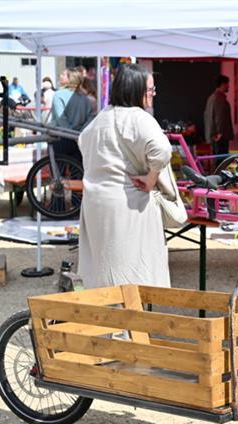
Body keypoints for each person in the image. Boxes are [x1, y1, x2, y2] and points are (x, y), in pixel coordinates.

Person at [77, 63, 172, 288]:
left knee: (104, 271)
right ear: (136, 89)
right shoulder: (139, 118)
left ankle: (111, 321)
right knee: (131, 276)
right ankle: (131, 322)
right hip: (128, 205)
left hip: (96, 203)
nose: (153, 94)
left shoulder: (101, 117)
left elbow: (83, 142)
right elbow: (162, 150)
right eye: (150, 90)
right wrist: (151, 178)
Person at [49, 68, 93, 162]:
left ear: (70, 79)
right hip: (79, 138)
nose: (60, 76)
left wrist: (70, 134)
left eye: (63, 74)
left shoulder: (58, 95)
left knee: (58, 172)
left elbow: (61, 118)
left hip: (61, 136)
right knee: (77, 171)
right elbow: (90, 117)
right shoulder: (85, 98)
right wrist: (79, 133)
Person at [203, 75, 233, 157]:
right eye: (227, 84)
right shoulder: (219, 98)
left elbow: (207, 116)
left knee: (217, 158)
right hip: (220, 136)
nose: (229, 86)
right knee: (221, 160)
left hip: (214, 135)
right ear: (223, 84)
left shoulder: (211, 97)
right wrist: (220, 133)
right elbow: (220, 117)